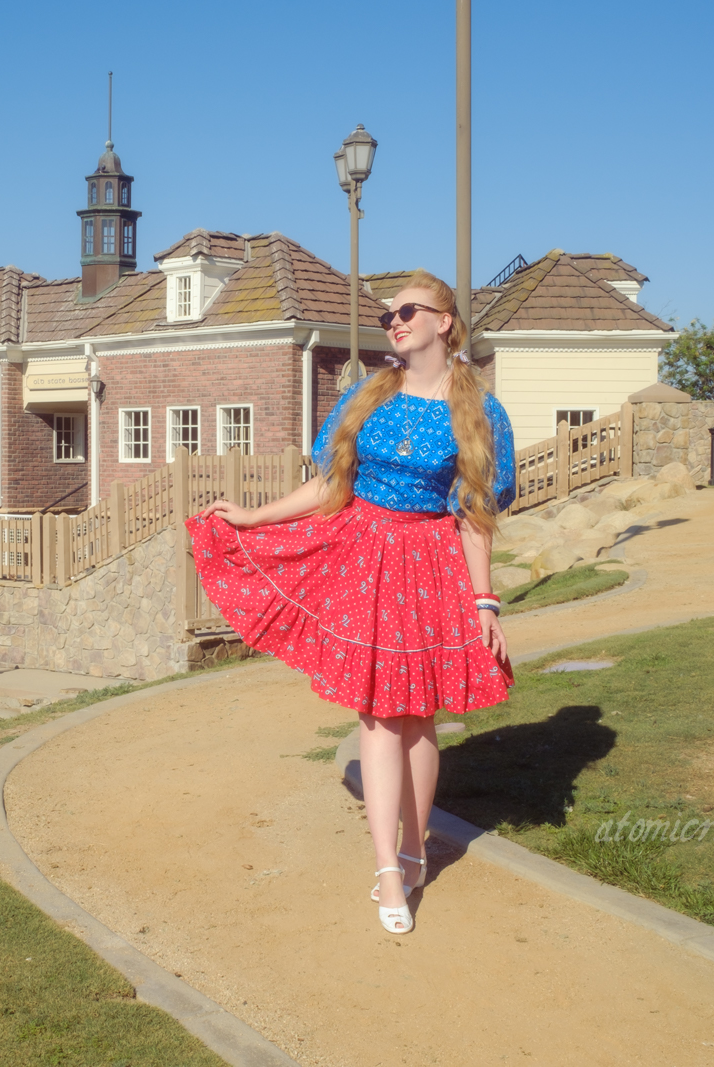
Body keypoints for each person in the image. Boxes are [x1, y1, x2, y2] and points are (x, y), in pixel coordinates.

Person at [186, 269, 516, 935]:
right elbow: (331, 483)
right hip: (363, 555)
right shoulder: (372, 393)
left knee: (418, 716)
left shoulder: (479, 410)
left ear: (444, 322)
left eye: (408, 311)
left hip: (428, 565)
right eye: (389, 314)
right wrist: (253, 518)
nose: (394, 322)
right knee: (377, 714)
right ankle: (387, 868)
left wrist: (485, 602)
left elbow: (474, 514)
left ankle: (415, 846)